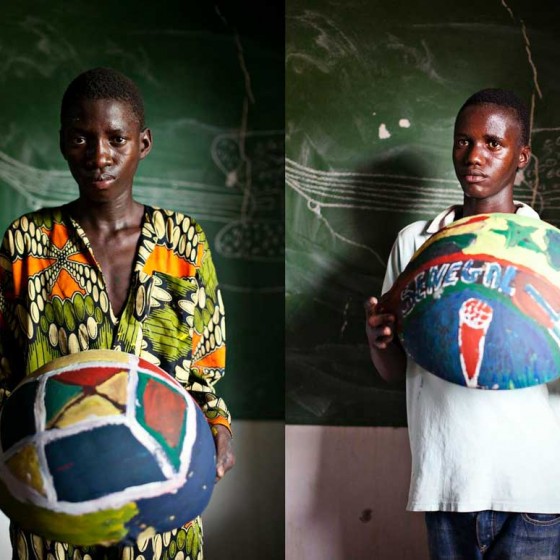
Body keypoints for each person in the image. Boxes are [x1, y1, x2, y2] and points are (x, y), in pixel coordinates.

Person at [0, 67, 234, 560]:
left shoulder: (182, 243)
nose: (99, 155)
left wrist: (219, 428)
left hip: (157, 502)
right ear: (63, 142)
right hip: (53, 503)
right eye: (82, 138)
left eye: (116, 138)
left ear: (143, 143)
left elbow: (204, 374)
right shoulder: (27, 242)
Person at [366, 89, 560, 559]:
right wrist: (378, 339)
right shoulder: (416, 242)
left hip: (534, 485)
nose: (474, 156)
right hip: (447, 481)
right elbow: (395, 372)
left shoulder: (548, 250)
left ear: (522, 156)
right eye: (462, 141)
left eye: (494, 143)